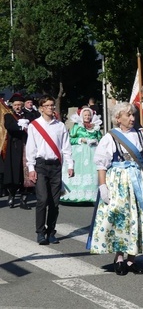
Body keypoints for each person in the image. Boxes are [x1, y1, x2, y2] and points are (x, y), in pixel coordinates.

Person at [89, 102, 143, 276]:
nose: (132, 118)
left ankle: (132, 259)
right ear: (118, 118)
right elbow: (102, 165)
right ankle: (119, 257)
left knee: (138, 218)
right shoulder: (110, 137)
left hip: (139, 182)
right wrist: (103, 186)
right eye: (128, 115)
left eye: (133, 115)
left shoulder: (142, 137)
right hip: (118, 183)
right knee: (120, 218)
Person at [26, 95, 74, 245]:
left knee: (55, 202)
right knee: (42, 200)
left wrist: (70, 165)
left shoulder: (60, 126)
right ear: (41, 108)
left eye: (52, 105)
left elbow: (66, 147)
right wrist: (31, 168)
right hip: (40, 165)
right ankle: (40, 232)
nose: (51, 108)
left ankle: (51, 232)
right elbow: (31, 148)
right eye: (47, 105)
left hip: (55, 166)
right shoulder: (34, 125)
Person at [61, 107, 102, 203]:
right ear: (81, 116)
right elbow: (70, 139)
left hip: (92, 152)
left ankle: (92, 195)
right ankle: (74, 194)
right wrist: (81, 140)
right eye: (85, 115)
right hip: (79, 152)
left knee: (92, 171)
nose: (87, 117)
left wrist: (96, 141)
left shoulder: (95, 127)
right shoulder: (77, 126)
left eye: (88, 115)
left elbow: (100, 139)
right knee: (78, 171)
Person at [4, 94, 32, 209]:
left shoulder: (29, 115)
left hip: (27, 146)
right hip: (14, 146)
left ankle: (24, 199)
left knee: (26, 173)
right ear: (12, 106)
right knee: (15, 172)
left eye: (20, 105)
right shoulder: (8, 116)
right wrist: (20, 127)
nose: (18, 107)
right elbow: (9, 126)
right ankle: (12, 195)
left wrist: (28, 126)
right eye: (15, 105)